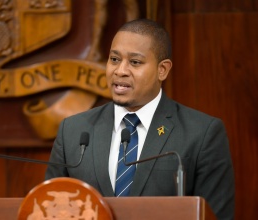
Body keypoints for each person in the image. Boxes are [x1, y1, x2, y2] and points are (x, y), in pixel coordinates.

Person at [45, 18, 235, 220]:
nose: (120, 71)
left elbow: (216, 214)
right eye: (114, 59)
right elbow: (48, 209)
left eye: (135, 62)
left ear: (162, 70)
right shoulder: (73, 131)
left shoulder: (202, 133)